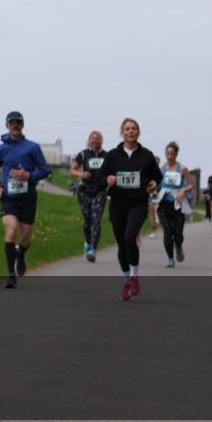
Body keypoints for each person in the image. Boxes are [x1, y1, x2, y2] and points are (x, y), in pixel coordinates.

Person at [98, 118, 163, 301]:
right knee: (121, 243)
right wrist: (107, 180)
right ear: (122, 132)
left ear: (138, 132)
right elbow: (101, 177)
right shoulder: (112, 155)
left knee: (129, 237)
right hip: (118, 203)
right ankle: (126, 280)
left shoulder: (146, 155)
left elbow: (157, 177)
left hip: (138, 203)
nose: (131, 131)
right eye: (127, 129)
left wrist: (153, 184)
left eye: (134, 129)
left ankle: (134, 277)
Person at [0, 111, 50, 289]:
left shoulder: (32, 147)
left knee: (24, 238)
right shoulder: (0, 149)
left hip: (28, 198)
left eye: (18, 122)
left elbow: (45, 170)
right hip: (8, 198)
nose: (15, 125)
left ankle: (21, 253)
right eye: (12, 122)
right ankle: (11, 275)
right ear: (7, 125)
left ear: (22, 125)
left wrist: (28, 175)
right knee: (11, 230)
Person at [155, 142, 195, 267]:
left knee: (177, 233)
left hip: (178, 204)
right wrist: (153, 191)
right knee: (167, 232)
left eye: (172, 153)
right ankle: (170, 259)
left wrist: (183, 190)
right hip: (163, 203)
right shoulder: (161, 168)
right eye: (167, 153)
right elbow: (156, 184)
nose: (170, 156)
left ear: (176, 154)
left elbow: (192, 183)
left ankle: (178, 247)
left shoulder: (182, 168)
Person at [69, 130, 107, 262]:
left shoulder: (106, 156)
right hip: (84, 190)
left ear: (101, 140)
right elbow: (72, 170)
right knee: (88, 220)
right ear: (89, 140)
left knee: (96, 219)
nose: (94, 140)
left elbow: (112, 170)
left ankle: (93, 250)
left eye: (97, 138)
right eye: (92, 138)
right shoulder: (83, 154)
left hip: (100, 191)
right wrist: (81, 174)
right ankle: (87, 242)